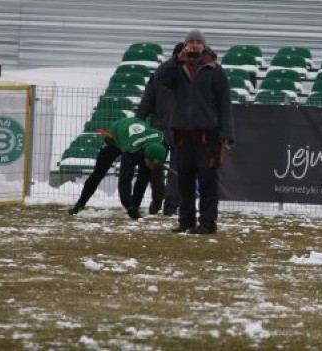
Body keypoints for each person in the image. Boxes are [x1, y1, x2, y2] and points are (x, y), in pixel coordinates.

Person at [155, 29, 234, 235]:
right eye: (191, 42)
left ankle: (208, 223)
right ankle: (186, 221)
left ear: (204, 45)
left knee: (208, 180)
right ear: (185, 45)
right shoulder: (177, 69)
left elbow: (225, 103)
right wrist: (177, 59)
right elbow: (160, 77)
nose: (195, 45)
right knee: (185, 180)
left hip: (208, 135)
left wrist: (226, 132)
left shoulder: (215, 70)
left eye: (198, 42)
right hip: (183, 134)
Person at [68, 116, 168, 219]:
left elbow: (143, 180)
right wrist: (129, 207)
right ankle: (79, 204)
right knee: (98, 173)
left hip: (135, 139)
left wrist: (135, 209)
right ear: (146, 156)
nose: (153, 166)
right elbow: (124, 180)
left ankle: (135, 206)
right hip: (114, 136)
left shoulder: (162, 142)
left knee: (145, 174)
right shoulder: (130, 151)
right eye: (151, 163)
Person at [135, 42, 183, 216]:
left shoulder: (160, 75)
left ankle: (163, 201)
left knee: (162, 167)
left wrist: (139, 120)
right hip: (168, 129)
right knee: (168, 169)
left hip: (171, 130)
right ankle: (166, 203)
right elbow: (147, 100)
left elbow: (146, 102)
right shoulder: (162, 76)